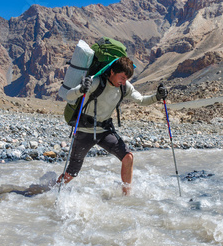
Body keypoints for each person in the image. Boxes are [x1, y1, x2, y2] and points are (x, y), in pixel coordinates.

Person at [57, 56, 168, 195]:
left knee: (128, 157)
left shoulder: (124, 87)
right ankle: (52, 191)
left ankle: (126, 197)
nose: (123, 82)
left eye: (126, 78)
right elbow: (69, 95)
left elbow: (141, 100)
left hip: (105, 130)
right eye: (121, 77)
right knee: (71, 173)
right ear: (112, 72)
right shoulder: (95, 82)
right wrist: (81, 89)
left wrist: (157, 96)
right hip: (85, 130)